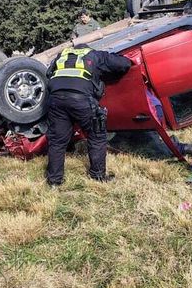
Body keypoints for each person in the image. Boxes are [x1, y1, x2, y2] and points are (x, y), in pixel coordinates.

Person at [45, 44, 131, 186]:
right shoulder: (95, 55)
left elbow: (49, 74)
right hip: (81, 100)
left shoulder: (62, 56)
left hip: (56, 99)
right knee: (97, 136)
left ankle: (54, 181)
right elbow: (124, 64)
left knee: (57, 141)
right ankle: (97, 176)